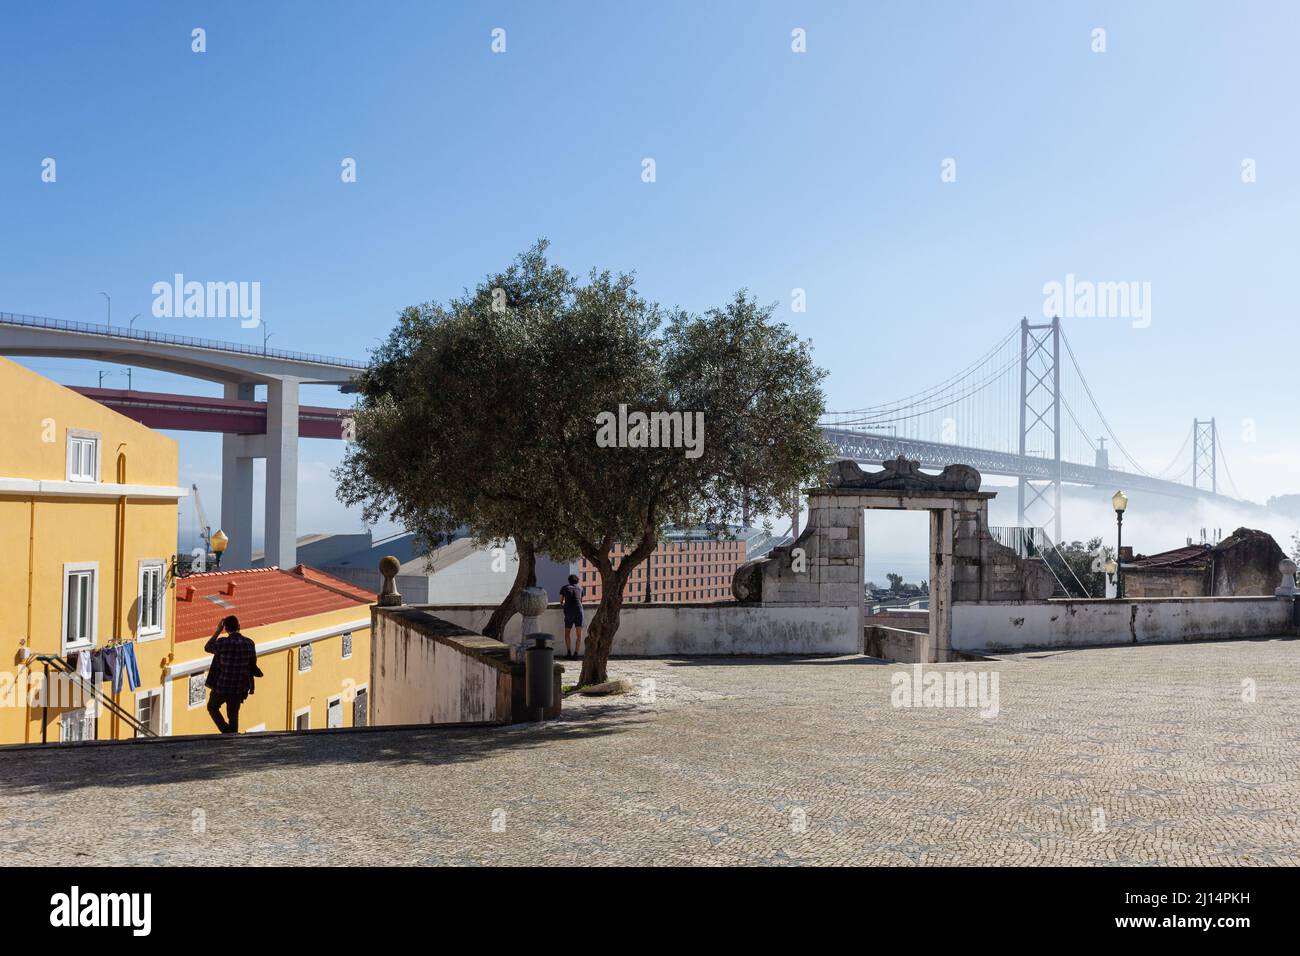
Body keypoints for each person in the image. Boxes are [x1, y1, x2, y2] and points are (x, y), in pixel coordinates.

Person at [203, 615, 261, 734]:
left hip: (222, 686)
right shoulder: (249, 643)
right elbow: (252, 666)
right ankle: (232, 735)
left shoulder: (222, 643)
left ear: (226, 629)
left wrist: (217, 631)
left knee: (212, 707)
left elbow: (207, 647)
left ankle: (226, 731)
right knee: (233, 714)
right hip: (239, 687)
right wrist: (253, 683)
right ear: (239, 627)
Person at [559, 574, 584, 660]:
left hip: (569, 611)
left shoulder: (564, 588)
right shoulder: (580, 588)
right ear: (577, 581)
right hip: (579, 611)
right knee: (579, 635)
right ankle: (576, 654)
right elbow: (581, 601)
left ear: (568, 581)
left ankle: (569, 652)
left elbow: (561, 602)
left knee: (567, 634)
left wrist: (565, 605)